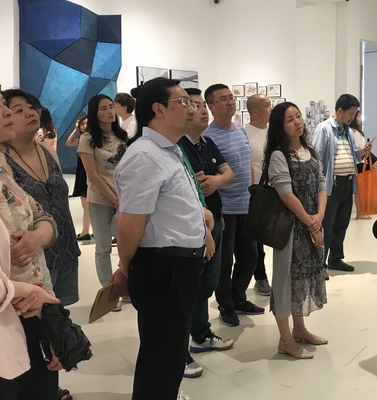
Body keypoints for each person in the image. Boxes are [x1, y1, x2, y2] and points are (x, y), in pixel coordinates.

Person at [110, 77, 214, 400]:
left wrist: (202, 219)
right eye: (183, 102)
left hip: (179, 266)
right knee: (160, 356)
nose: (192, 109)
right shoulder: (144, 155)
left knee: (170, 353)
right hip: (162, 268)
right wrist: (126, 267)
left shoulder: (170, 149)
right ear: (158, 109)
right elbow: (130, 225)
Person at [0, 75, 62, 399]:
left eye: (1, 102)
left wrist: (38, 236)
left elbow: (41, 213)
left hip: (32, 298)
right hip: (3, 313)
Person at [0, 87, 81, 308]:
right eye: (18, 110)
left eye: (30, 107)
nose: (29, 113)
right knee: (38, 321)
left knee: (60, 317)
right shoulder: (0, 160)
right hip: (31, 259)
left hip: (64, 248)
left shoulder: (47, 151)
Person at [264, 102, 328, 359]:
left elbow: (322, 184)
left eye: (298, 116)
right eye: (289, 119)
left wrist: (319, 217)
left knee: (303, 278)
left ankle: (299, 329)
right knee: (285, 280)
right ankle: (285, 339)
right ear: (280, 127)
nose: (297, 122)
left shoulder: (309, 150)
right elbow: (286, 194)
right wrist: (310, 222)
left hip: (312, 224)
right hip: (291, 229)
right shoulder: (279, 155)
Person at [179, 88, 235, 378]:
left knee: (207, 284)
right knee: (188, 289)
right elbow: (193, 190)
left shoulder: (207, 143)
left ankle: (200, 334)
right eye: (195, 105)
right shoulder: (179, 148)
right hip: (195, 230)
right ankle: (179, 351)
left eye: (203, 105)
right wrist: (205, 231)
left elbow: (229, 175)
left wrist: (216, 181)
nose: (202, 110)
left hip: (216, 222)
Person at [203, 83, 264, 326]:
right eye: (223, 99)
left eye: (231, 97)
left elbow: (247, 164)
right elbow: (211, 177)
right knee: (224, 262)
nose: (230, 102)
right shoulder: (208, 137)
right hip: (225, 209)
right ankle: (225, 304)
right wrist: (216, 212)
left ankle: (239, 298)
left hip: (245, 204)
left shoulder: (240, 130)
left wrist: (252, 194)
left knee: (250, 257)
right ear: (211, 106)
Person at [312, 94, 372, 272]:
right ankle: (320, 264)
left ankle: (335, 259)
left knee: (341, 224)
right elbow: (316, 157)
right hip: (331, 185)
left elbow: (354, 156)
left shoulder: (347, 131)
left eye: (355, 114)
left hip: (347, 183)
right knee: (327, 226)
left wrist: (363, 151)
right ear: (340, 111)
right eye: (351, 113)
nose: (353, 117)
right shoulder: (324, 129)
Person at [77, 94, 127, 300]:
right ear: (94, 113)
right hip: (101, 199)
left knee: (127, 246)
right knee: (104, 247)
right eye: (103, 108)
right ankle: (110, 294)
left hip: (125, 198)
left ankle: (126, 288)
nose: (109, 111)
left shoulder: (122, 136)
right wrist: (115, 199)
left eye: (111, 107)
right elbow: (93, 176)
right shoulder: (87, 139)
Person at [245, 93, 273, 295]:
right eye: (267, 105)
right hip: (256, 194)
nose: (271, 108)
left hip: (276, 191)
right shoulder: (244, 134)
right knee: (257, 241)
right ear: (255, 111)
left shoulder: (274, 133)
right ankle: (260, 277)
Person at [65, 116, 92, 240]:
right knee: (85, 205)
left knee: (87, 206)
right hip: (82, 173)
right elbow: (68, 142)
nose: (84, 126)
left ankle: (85, 232)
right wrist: (75, 129)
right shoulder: (82, 139)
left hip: (87, 173)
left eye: (86, 124)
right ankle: (86, 231)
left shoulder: (91, 139)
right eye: (82, 124)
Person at [349, 109, 375, 219]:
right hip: (359, 163)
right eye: (358, 116)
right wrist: (365, 148)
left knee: (359, 190)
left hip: (360, 162)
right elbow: (358, 150)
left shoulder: (356, 132)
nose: (360, 119)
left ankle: (361, 212)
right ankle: (360, 213)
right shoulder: (354, 133)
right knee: (359, 190)